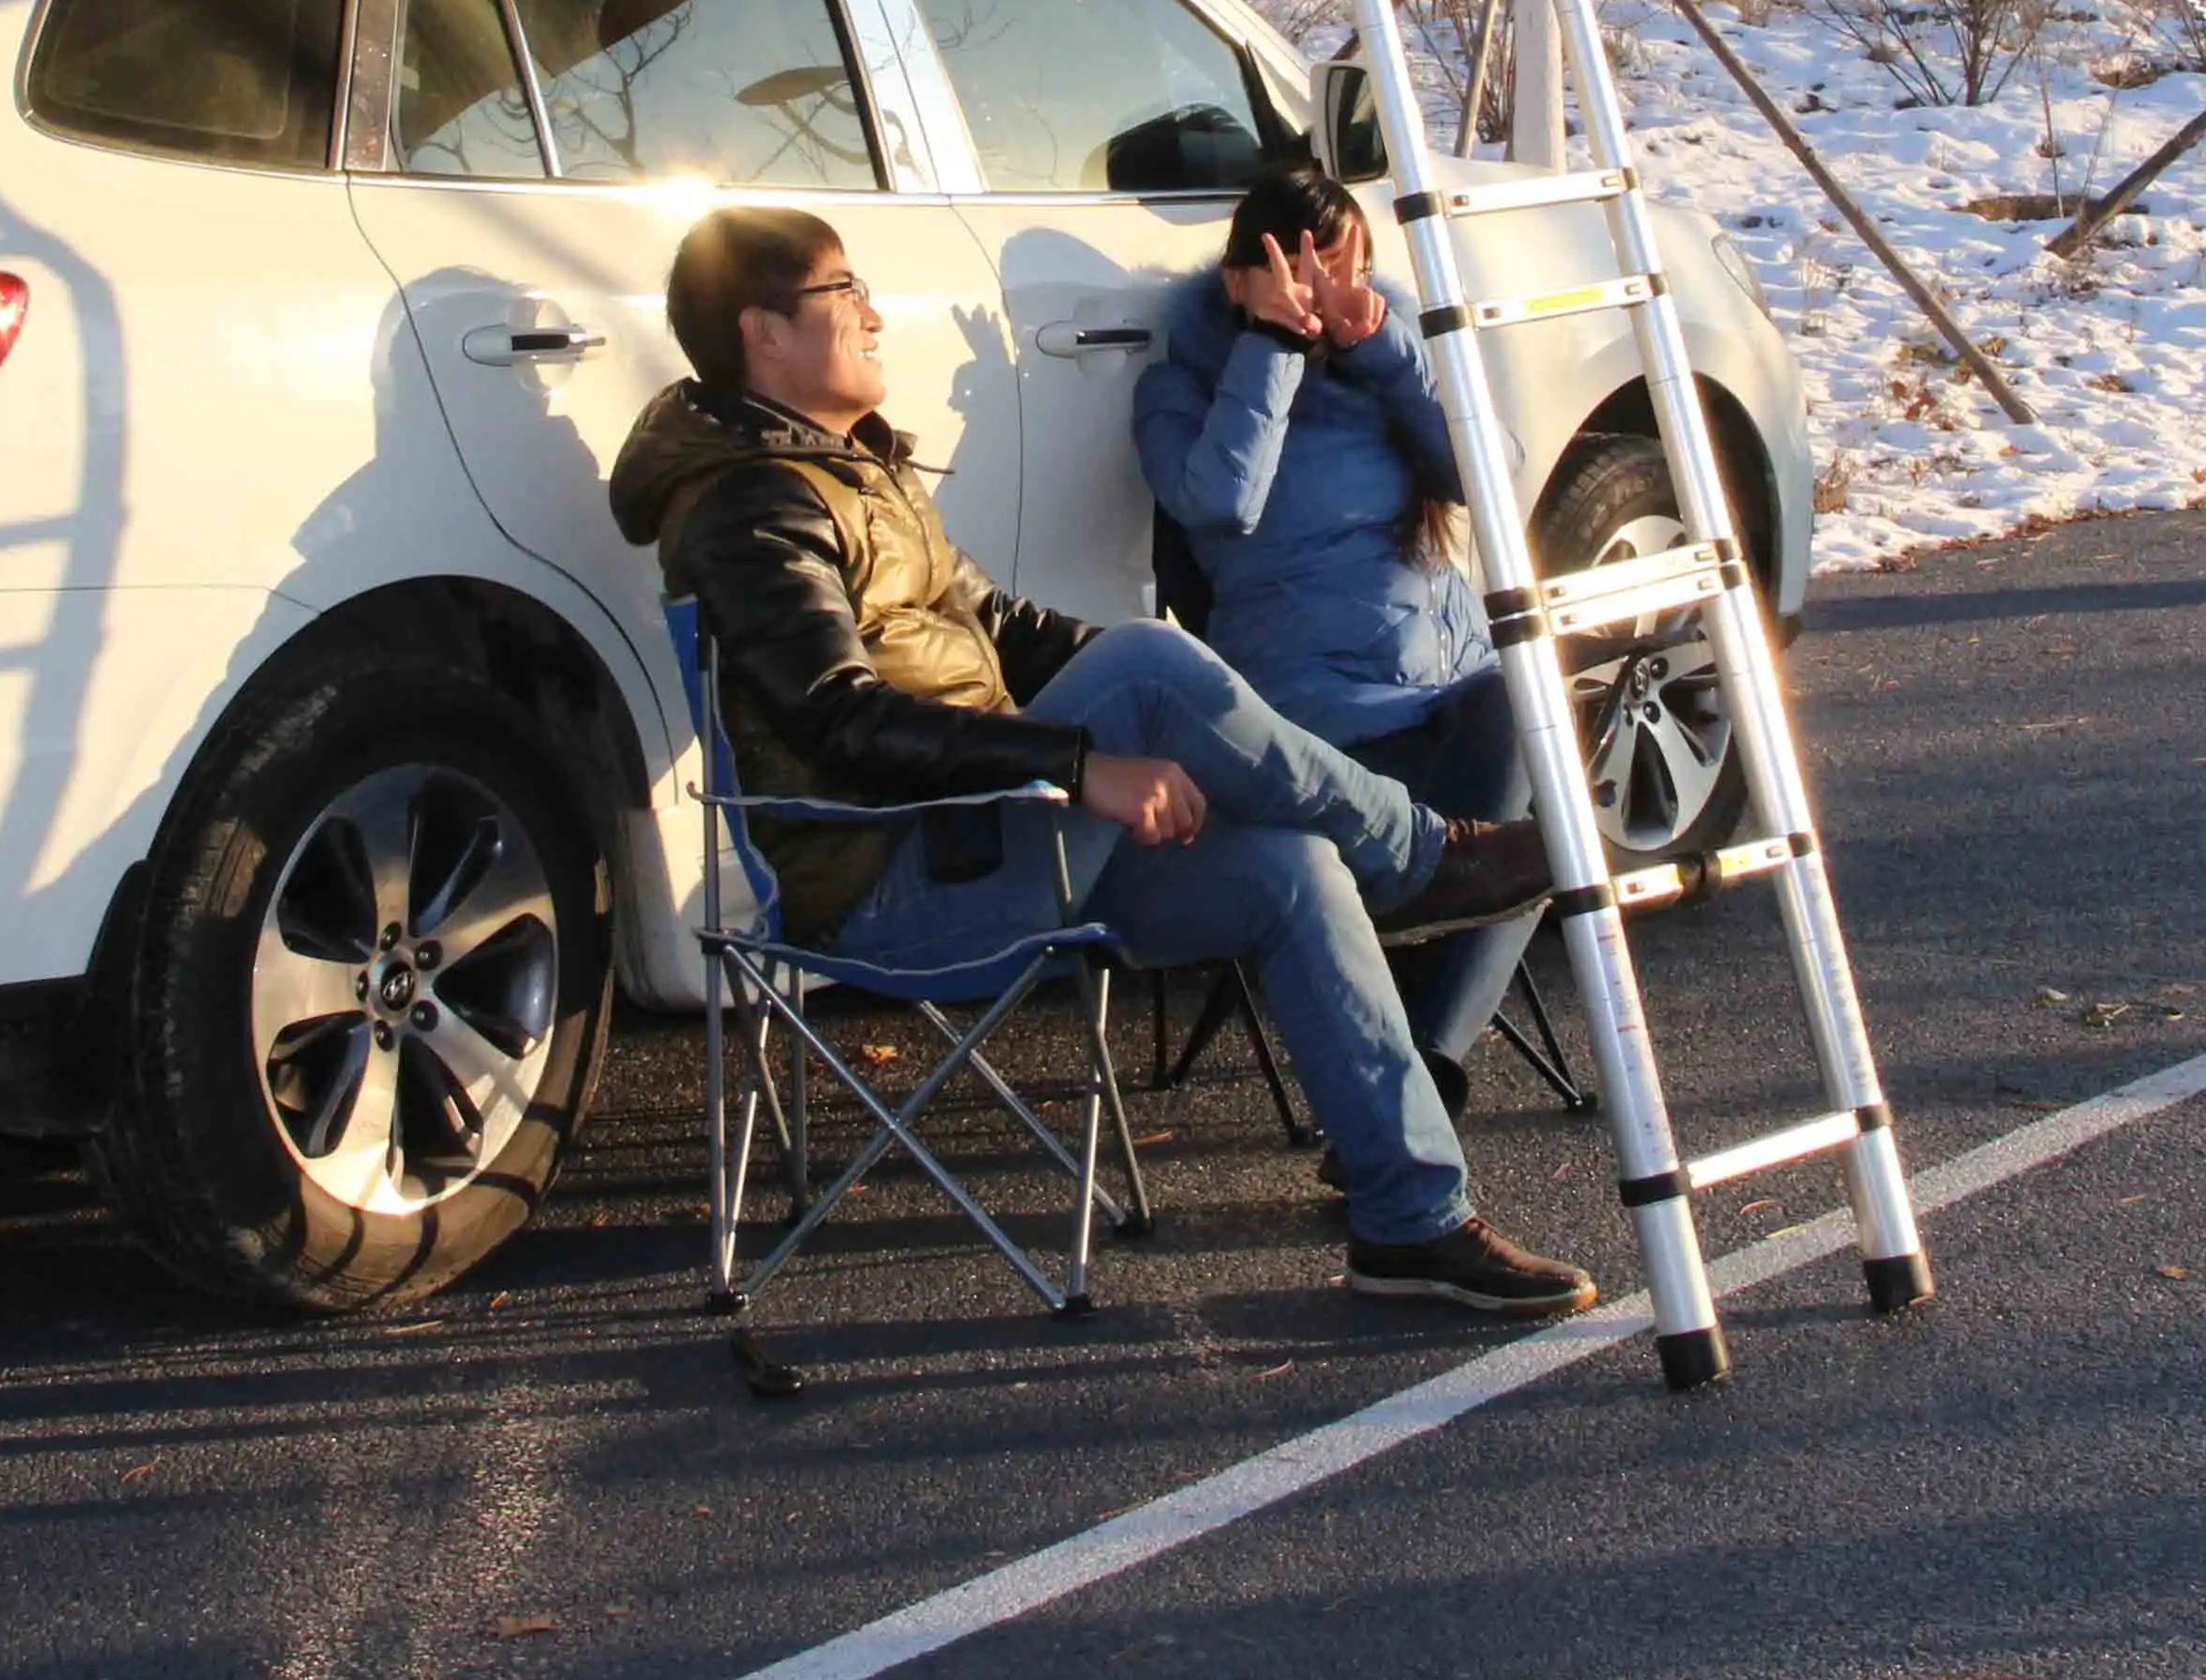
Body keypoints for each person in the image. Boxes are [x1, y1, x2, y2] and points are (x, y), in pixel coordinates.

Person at [610, 203, 1597, 1319]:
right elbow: (843, 721)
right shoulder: (751, 507)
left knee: (1290, 868)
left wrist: (1140, 721)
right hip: (896, 876)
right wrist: (1086, 762)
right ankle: (1418, 856)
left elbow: (1013, 632)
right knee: (1145, 665)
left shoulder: (854, 473)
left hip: (999, 832)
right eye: (848, 293)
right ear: (767, 333)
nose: (877, 314)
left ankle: (1410, 1224)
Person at [1133, 157, 1538, 1107]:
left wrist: (1385, 352)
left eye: (1345, 269)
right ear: (1240, 277)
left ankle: (1417, 1075)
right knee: (1525, 799)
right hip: (1325, 729)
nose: (1324, 294)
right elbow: (1220, 505)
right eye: (1299, 270)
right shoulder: (1179, 385)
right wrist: (1270, 347)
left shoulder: (1385, 353)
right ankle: (1416, 1081)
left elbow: (1491, 476)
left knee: (1541, 731)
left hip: (1458, 704)